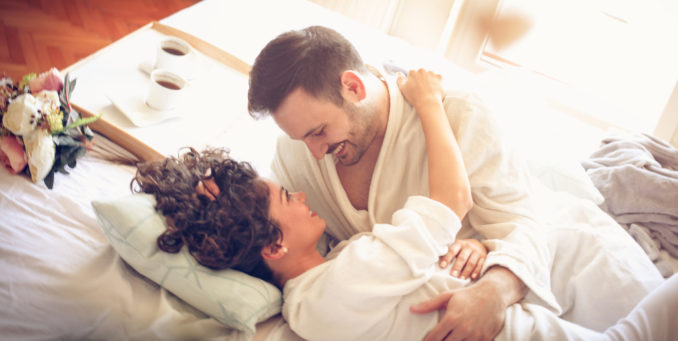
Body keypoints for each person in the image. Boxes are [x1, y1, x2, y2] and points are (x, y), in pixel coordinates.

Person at [132, 71, 678, 341]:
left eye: (319, 131)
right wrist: (429, 102)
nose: (305, 173)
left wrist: (477, 248)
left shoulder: (315, 294)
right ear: (274, 245)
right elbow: (451, 198)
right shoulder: (344, 279)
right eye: (286, 196)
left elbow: (413, 268)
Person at [247, 26, 665, 340]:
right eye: (301, 138)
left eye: (319, 131)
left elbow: (521, 222)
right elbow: (269, 227)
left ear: (353, 87)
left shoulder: (459, 113)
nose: (315, 152)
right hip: (457, 291)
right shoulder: (298, 153)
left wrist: (496, 291)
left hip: (564, 260)